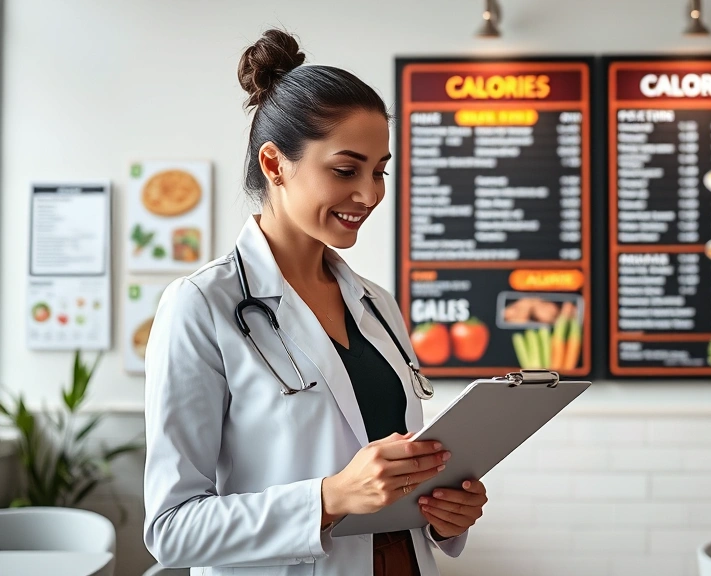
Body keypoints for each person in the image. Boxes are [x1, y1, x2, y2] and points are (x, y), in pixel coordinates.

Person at [142, 29, 486, 576]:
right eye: (346, 170)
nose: (370, 194)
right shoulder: (201, 305)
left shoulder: (377, 306)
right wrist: (328, 498)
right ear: (275, 164)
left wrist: (446, 514)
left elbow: (386, 482)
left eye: (380, 171)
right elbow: (172, 530)